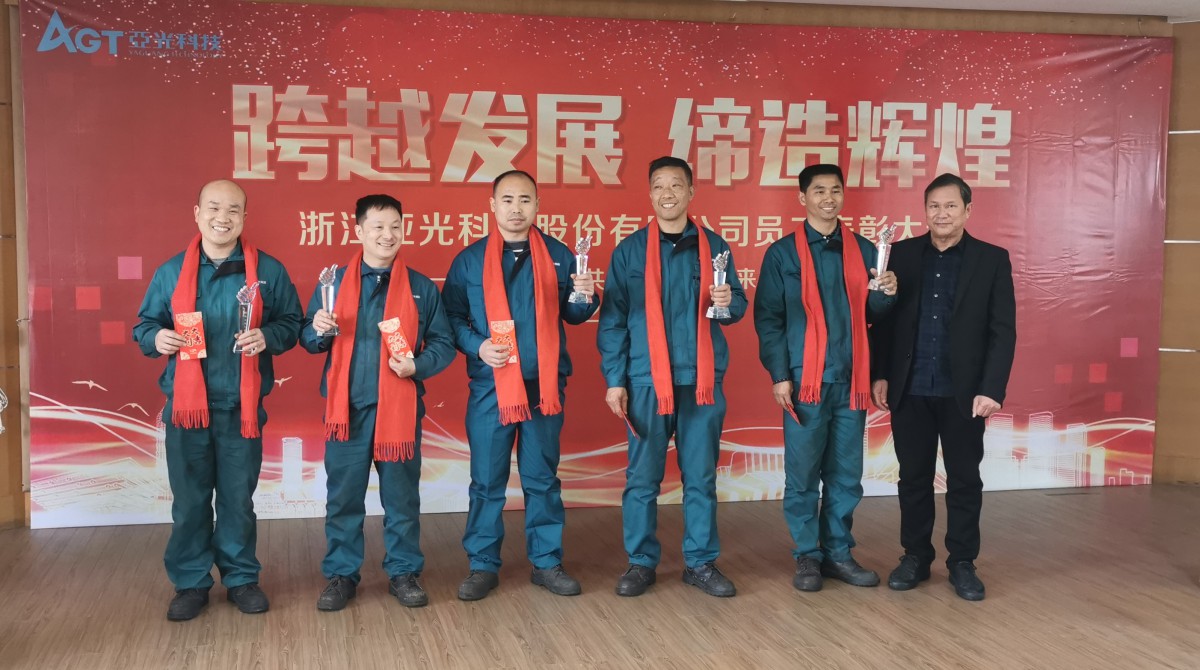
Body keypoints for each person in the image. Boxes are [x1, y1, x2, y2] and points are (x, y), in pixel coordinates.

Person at [133, 179, 302, 621]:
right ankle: (191, 583)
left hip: (241, 409)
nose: (222, 218)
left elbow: (293, 323)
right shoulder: (171, 272)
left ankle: (241, 578)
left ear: (244, 217)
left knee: (236, 500)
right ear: (197, 213)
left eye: (232, 210)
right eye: (213, 208)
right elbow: (144, 326)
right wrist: (157, 337)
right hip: (186, 411)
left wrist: (267, 335)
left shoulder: (268, 272)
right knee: (190, 502)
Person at [443, 170, 599, 600]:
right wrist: (478, 346)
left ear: (537, 205)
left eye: (525, 200)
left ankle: (546, 563)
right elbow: (450, 318)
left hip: (543, 387)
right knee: (486, 481)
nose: (516, 208)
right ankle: (482, 565)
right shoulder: (470, 260)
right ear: (492, 205)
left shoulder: (559, 255)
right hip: (490, 387)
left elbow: (574, 314)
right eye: (508, 200)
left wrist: (586, 295)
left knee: (542, 478)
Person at [597, 156, 747, 598]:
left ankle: (700, 562)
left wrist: (727, 302)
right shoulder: (629, 252)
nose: (668, 194)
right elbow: (613, 322)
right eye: (659, 186)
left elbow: (737, 306)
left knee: (700, 478)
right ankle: (641, 562)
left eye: (676, 185)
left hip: (700, 381)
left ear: (691, 192)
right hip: (645, 381)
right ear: (650, 194)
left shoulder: (715, 247)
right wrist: (615, 379)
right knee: (642, 480)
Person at [300, 194, 456, 611]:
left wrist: (417, 365)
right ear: (359, 231)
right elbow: (309, 339)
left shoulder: (421, 288)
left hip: (399, 411)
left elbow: (444, 343)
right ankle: (341, 575)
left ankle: (404, 573)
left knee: (402, 500)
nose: (388, 235)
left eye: (395, 227)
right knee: (343, 499)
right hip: (347, 412)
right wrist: (317, 329)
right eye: (378, 227)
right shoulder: (332, 284)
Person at [870, 172, 1016, 601]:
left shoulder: (991, 259)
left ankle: (962, 562)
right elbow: (884, 320)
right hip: (910, 387)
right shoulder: (901, 255)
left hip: (964, 393)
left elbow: (1002, 330)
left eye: (951, 206)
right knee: (912, 478)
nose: (942, 214)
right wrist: (881, 373)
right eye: (934, 206)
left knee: (964, 479)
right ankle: (915, 556)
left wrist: (992, 388)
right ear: (924, 210)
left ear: (967, 210)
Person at [754, 164, 897, 593]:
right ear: (803, 198)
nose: (828, 198)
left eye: (835, 190)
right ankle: (806, 555)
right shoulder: (782, 254)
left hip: (852, 381)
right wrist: (780, 374)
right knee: (802, 475)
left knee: (846, 474)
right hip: (805, 383)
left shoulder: (867, 251)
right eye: (819, 191)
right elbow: (769, 319)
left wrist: (886, 295)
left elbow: (877, 318)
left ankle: (837, 552)